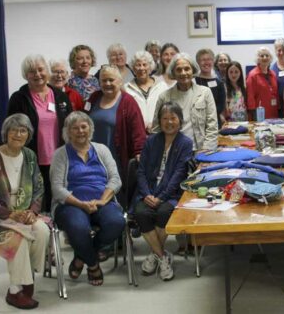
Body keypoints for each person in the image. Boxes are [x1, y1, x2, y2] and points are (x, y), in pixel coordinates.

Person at [0, 114, 50, 309]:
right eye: (13, 130)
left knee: (41, 230)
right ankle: (15, 290)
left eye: (23, 130)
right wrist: (10, 214)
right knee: (18, 237)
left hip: (23, 213)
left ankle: (27, 277)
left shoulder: (29, 156)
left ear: (28, 134)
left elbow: (39, 187)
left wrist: (32, 211)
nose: (18, 134)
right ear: (6, 133)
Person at [50, 112, 125, 287]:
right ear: (67, 132)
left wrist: (102, 200)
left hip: (102, 200)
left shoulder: (101, 149)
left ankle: (80, 257)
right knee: (78, 228)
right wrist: (80, 204)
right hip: (70, 204)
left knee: (116, 223)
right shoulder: (60, 154)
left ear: (90, 128)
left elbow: (115, 179)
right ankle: (92, 265)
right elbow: (57, 189)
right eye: (74, 128)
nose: (80, 131)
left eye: (84, 126)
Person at [133, 103, 193, 281]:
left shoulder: (185, 143)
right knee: (141, 213)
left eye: (173, 118)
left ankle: (154, 254)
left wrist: (161, 197)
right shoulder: (151, 140)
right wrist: (146, 194)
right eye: (165, 118)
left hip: (171, 193)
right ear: (159, 120)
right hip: (148, 191)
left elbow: (179, 174)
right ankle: (162, 255)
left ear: (180, 121)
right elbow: (141, 171)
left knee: (164, 212)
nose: (169, 122)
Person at [7, 54, 72, 212]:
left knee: (56, 201)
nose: (37, 74)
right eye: (31, 71)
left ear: (47, 71)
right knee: (33, 203)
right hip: (30, 160)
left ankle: (54, 232)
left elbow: (70, 126)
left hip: (59, 159)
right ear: (25, 75)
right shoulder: (18, 98)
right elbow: (10, 131)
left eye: (40, 69)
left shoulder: (60, 96)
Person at [87, 65, 146, 208]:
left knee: (115, 193)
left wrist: (139, 151)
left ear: (120, 82)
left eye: (111, 80)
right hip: (93, 157)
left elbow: (138, 129)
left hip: (117, 157)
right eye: (103, 80)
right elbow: (83, 119)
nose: (107, 84)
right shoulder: (94, 97)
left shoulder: (128, 102)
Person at [152, 53, 218, 151]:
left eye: (187, 69)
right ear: (173, 73)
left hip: (200, 150)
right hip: (173, 152)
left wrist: (206, 150)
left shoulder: (205, 93)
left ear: (193, 70)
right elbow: (156, 128)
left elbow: (212, 125)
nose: (183, 73)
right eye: (179, 70)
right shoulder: (164, 97)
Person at [124, 51, 168, 132]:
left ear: (150, 67)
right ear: (133, 68)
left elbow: (167, 110)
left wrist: (155, 124)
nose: (141, 68)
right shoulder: (126, 88)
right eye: (138, 65)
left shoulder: (162, 86)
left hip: (159, 132)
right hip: (136, 133)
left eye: (145, 64)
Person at [195, 48, 227, 127]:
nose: (206, 62)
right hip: (197, 122)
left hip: (214, 122)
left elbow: (221, 105)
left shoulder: (219, 83)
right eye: (203, 60)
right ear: (198, 62)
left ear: (213, 62)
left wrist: (209, 114)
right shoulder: (193, 81)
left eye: (209, 59)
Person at [246, 47, 279, 120]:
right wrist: (254, 115)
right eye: (262, 56)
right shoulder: (252, 75)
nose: (265, 58)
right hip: (260, 113)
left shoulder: (273, 74)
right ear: (258, 59)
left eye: (267, 55)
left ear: (270, 58)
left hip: (273, 111)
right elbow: (250, 96)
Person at [271, 38, 284, 118]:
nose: (282, 53)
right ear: (275, 51)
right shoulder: (272, 69)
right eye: (279, 50)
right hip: (277, 107)